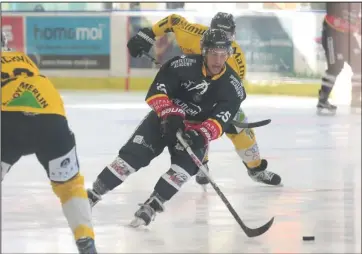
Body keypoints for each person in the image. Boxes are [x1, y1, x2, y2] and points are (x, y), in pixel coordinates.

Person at [88, 29, 245, 226]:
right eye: (214, 53)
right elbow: (157, 91)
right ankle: (93, 194)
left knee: (182, 171)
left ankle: (152, 205)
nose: (218, 60)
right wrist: (170, 113)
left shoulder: (233, 87)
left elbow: (220, 119)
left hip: (194, 130)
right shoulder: (181, 64)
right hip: (163, 120)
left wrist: (200, 134)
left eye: (223, 55)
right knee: (129, 159)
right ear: (204, 52)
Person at [126, 12, 281, 186]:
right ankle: (201, 163)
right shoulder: (192, 34)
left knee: (238, 131)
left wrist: (222, 114)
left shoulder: (236, 60)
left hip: (215, 97)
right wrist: (148, 34)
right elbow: (173, 20)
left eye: (227, 37)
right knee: (190, 126)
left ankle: (256, 168)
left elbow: (231, 95)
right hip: (186, 91)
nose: (221, 42)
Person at [1, 32, 97, 253]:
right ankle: (86, 240)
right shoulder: (22, 58)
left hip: (6, 118)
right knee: (70, 186)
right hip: (51, 116)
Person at [317, 3, 361, 114]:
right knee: (335, 67)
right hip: (332, 34)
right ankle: (323, 99)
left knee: (359, 65)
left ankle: (356, 99)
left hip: (348, 36)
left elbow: (356, 21)